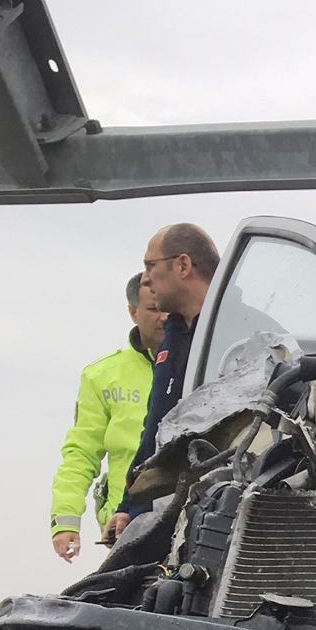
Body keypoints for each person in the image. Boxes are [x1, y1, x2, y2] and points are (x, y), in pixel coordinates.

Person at [103, 223, 221, 542]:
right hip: (159, 513)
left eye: (150, 266)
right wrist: (129, 506)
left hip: (213, 516)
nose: (146, 279)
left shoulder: (241, 334)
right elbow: (156, 429)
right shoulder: (172, 338)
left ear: (182, 265)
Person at [49, 274, 167, 562]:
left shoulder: (204, 361)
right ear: (132, 312)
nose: (163, 317)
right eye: (153, 309)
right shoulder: (101, 376)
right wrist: (65, 521)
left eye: (168, 308)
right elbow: (81, 452)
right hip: (125, 525)